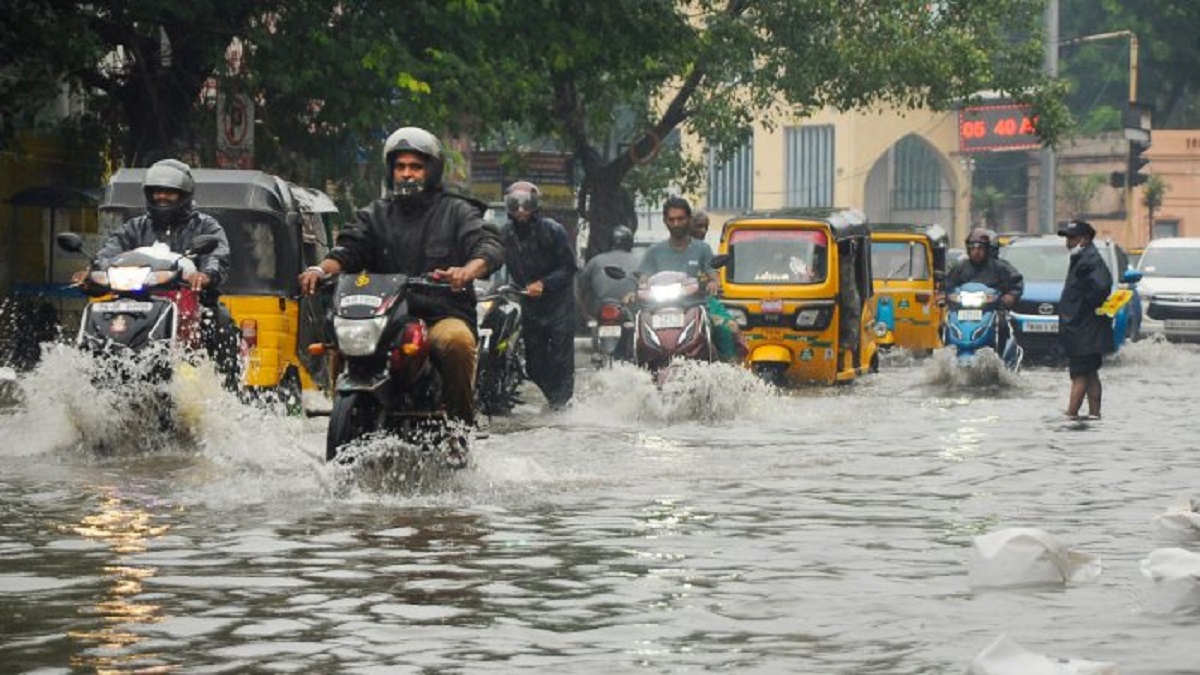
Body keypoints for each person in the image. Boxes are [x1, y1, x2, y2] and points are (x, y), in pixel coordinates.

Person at [298, 126, 504, 429]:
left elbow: (488, 245)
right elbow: (347, 249)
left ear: (432, 171)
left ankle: (461, 429)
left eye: (416, 167)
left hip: (440, 315)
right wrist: (319, 269)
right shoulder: (374, 214)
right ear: (391, 171)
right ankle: (344, 411)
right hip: (384, 319)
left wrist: (467, 271)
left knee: (458, 342)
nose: (407, 174)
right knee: (342, 343)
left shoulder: (456, 211)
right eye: (400, 166)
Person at [74, 158, 237, 380]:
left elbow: (218, 254)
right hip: (134, 299)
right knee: (103, 314)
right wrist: (93, 272)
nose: (161, 196)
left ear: (184, 194)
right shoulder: (135, 227)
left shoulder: (205, 225)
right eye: (156, 192)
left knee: (221, 320)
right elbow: (109, 252)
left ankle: (225, 389)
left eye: (169, 192)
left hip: (191, 301)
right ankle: (87, 372)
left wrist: (206, 275)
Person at [499, 180, 577, 409]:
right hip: (530, 305)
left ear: (535, 205)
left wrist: (544, 284)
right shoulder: (504, 234)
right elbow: (491, 259)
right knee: (533, 364)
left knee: (561, 359)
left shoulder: (553, 230)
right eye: (515, 204)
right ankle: (555, 398)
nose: (521, 210)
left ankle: (562, 405)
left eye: (527, 204)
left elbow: (569, 267)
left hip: (558, 305)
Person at [638, 196, 743, 361]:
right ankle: (632, 368)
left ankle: (729, 368)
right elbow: (643, 278)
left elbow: (712, 272)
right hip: (658, 309)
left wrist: (713, 283)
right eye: (671, 220)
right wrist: (637, 287)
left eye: (680, 219)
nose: (676, 224)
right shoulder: (654, 251)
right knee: (634, 330)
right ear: (665, 221)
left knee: (726, 329)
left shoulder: (702, 249)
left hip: (696, 306)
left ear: (688, 220)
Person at [1056, 219, 1113, 419]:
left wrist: (1084, 309)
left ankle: (1071, 416)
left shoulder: (1090, 260)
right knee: (1089, 373)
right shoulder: (1082, 259)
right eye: (1067, 238)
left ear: (1085, 239)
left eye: (1072, 238)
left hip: (1084, 328)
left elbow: (1101, 287)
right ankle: (1095, 415)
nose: (1068, 243)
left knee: (1079, 373)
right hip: (1081, 327)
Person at [943, 227, 1024, 356]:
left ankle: (1000, 357)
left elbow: (1016, 282)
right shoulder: (960, 267)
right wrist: (947, 295)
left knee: (1002, 325)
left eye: (980, 248)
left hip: (991, 309)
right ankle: (947, 355)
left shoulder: (1000, 267)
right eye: (972, 248)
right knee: (943, 324)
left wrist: (1010, 296)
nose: (976, 252)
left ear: (987, 249)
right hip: (962, 310)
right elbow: (948, 285)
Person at [578, 225, 638, 318]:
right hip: (630, 310)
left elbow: (581, 285)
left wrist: (585, 315)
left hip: (599, 310)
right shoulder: (639, 261)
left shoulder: (596, 261)